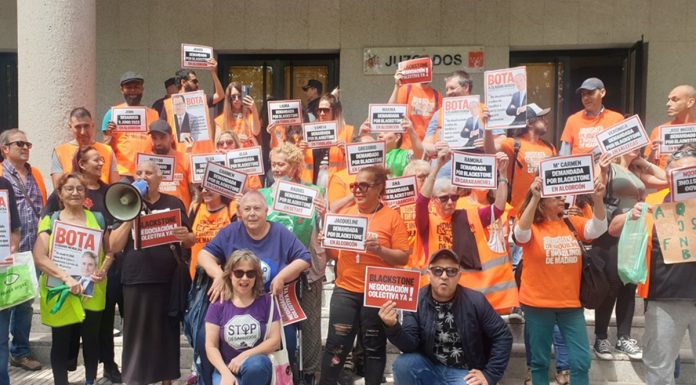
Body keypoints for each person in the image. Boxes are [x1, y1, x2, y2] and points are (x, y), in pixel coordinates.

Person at [197, 190, 312, 370]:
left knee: (287, 339)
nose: (252, 213)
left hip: (269, 304)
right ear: (240, 213)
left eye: (257, 208)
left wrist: (282, 275)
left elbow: (304, 258)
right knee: (203, 337)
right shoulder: (230, 232)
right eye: (247, 209)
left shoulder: (280, 233)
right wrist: (219, 274)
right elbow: (203, 255)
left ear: (266, 211)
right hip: (234, 303)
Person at [610, 146, 696, 385]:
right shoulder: (654, 201)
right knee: (659, 370)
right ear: (668, 176)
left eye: (692, 171)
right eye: (679, 172)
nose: (685, 177)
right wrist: (631, 214)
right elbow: (613, 228)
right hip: (663, 299)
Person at [318, 165, 410, 385]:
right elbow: (335, 255)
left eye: (363, 185)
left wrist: (379, 250)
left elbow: (403, 257)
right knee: (337, 344)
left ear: (379, 188)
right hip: (346, 289)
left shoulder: (392, 217)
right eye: (354, 185)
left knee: (374, 346)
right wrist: (325, 242)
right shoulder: (345, 214)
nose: (357, 190)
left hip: (376, 292)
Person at [514, 175, 608, 385]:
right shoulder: (531, 225)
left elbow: (599, 228)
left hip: (571, 305)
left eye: (561, 196)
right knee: (539, 362)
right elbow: (520, 235)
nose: (561, 199)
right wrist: (534, 198)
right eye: (555, 196)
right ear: (542, 202)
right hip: (537, 305)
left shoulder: (571, 222)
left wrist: (599, 200)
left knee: (581, 361)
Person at [41, 145, 122, 383]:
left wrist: (103, 270)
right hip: (61, 289)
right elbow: (40, 256)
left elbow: (110, 252)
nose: (75, 192)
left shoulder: (96, 218)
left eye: (79, 189)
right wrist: (66, 278)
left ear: (85, 193)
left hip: (91, 289)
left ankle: (89, 381)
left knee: (91, 340)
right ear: (60, 194)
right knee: (61, 341)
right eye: (69, 189)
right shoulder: (50, 219)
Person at [379, 248, 513, 385]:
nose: (444, 276)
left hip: (465, 373)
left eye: (451, 271)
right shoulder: (416, 301)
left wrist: (489, 374)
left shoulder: (475, 301)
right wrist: (392, 327)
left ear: (459, 276)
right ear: (429, 274)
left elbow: (503, 336)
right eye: (438, 270)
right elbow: (410, 345)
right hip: (429, 367)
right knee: (403, 365)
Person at [117, 160, 196, 385]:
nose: (144, 176)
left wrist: (184, 236)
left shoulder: (174, 202)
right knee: (137, 336)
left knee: (166, 335)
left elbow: (191, 240)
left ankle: (166, 381)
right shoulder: (124, 202)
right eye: (139, 173)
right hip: (136, 278)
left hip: (167, 279)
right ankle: (135, 379)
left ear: (160, 179)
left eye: (149, 173)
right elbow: (113, 246)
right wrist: (129, 216)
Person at [417, 147, 519, 313]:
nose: (450, 202)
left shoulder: (470, 215)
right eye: (444, 198)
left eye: (454, 197)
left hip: (464, 295)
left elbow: (498, 208)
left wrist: (503, 175)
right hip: (434, 293)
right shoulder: (427, 220)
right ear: (434, 200)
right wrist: (436, 167)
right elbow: (421, 202)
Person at [261, 142, 327, 385]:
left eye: (282, 164)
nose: (277, 169)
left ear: (295, 166)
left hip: (309, 270)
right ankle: (280, 371)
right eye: (274, 164)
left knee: (310, 324)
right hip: (277, 271)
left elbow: (325, 232)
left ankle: (310, 373)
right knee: (277, 323)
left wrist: (324, 214)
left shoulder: (313, 192)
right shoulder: (264, 194)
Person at [591, 151, 666, 362]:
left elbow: (665, 179)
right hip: (610, 228)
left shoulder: (635, 170)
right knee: (611, 285)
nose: (636, 146)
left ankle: (624, 336)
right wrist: (604, 169)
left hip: (634, 231)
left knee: (629, 284)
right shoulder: (608, 166)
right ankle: (601, 337)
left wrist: (644, 162)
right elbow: (598, 188)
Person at [0, 129, 46, 373]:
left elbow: (42, 206)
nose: (25, 147)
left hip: (31, 250)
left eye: (27, 143)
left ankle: (20, 351)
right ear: (5, 149)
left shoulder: (35, 173)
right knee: (5, 303)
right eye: (19, 143)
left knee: (26, 301)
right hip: (6, 251)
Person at [205, 250, 281, 385]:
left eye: (250, 274)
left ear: (256, 277)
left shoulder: (267, 302)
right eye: (239, 273)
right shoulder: (218, 305)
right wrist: (225, 373)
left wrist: (243, 356)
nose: (244, 278)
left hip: (257, 368)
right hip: (227, 369)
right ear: (229, 275)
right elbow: (211, 346)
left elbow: (275, 341)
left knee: (256, 365)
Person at [101, 71, 159, 178]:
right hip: (122, 172)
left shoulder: (154, 114)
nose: (133, 91)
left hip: (146, 173)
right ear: (122, 90)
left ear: (142, 89)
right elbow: (105, 150)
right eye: (128, 87)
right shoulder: (112, 114)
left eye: (136, 87)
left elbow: (159, 145)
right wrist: (110, 135)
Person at [162, 61, 225, 154]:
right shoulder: (168, 104)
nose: (197, 84)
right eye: (194, 81)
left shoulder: (202, 98)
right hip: (182, 155)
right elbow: (163, 132)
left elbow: (220, 95)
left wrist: (213, 72)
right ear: (183, 82)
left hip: (205, 154)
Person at [51, 107, 120, 187]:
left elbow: (116, 187)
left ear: (93, 125)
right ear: (70, 127)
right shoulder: (60, 152)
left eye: (86, 126)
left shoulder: (107, 151)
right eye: (78, 127)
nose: (83, 132)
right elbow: (58, 190)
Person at [297, 92, 354, 186]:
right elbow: (299, 161)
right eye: (319, 110)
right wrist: (301, 150)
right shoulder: (310, 130)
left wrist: (346, 150)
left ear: (335, 111)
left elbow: (356, 162)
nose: (322, 113)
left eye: (326, 110)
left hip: (336, 181)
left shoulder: (347, 131)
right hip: (311, 181)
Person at [559, 77, 624, 155]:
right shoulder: (572, 120)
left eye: (590, 93)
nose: (586, 98)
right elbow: (564, 154)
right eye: (583, 94)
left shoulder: (616, 119)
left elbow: (624, 153)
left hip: (608, 166)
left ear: (602, 92)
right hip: (580, 166)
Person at [0, 175, 24, 385]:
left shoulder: (3, 184)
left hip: (0, 272)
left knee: (0, 339)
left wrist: (12, 249)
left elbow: (15, 228)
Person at [146, 119, 197, 211]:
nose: (158, 143)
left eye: (162, 137)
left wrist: (190, 216)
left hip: (180, 216)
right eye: (154, 138)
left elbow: (195, 193)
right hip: (153, 216)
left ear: (172, 138)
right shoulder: (145, 162)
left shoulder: (185, 159)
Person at [388, 68, 441, 149]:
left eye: (429, 70)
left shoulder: (437, 95)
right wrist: (396, 86)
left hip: (426, 148)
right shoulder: (407, 88)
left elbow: (439, 123)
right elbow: (390, 111)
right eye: (424, 70)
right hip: (406, 147)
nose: (426, 73)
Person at [645, 84, 696, 169]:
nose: (668, 104)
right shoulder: (658, 131)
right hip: (664, 180)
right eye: (668, 100)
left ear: (690, 102)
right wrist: (653, 152)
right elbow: (646, 167)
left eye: (675, 100)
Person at [359, 117, 423, 177]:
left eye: (385, 132)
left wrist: (411, 131)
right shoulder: (371, 154)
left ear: (397, 137)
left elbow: (419, 154)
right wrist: (362, 135)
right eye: (379, 133)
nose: (380, 135)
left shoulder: (404, 155)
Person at [214, 82, 261, 148]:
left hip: (248, 155)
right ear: (229, 99)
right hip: (230, 155)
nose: (236, 99)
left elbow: (256, 132)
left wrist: (254, 109)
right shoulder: (221, 119)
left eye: (239, 96)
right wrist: (235, 138)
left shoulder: (250, 116)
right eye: (233, 97)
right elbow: (217, 144)